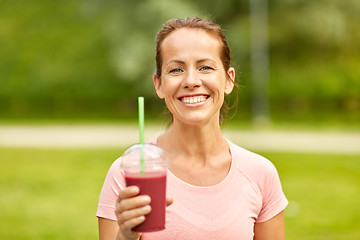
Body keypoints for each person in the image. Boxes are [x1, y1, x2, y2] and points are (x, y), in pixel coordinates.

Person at [97, 17, 288, 240]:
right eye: (176, 70)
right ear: (158, 84)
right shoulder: (128, 173)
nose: (191, 80)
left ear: (228, 80)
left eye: (205, 67)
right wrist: (126, 236)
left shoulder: (260, 174)